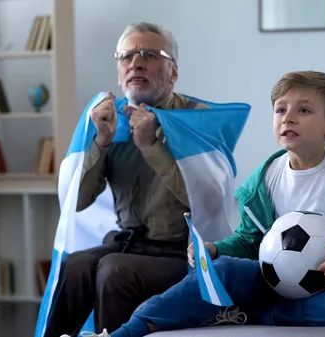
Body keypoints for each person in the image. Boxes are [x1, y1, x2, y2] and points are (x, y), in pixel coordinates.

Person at [86, 70, 325, 337]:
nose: (288, 118)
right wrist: (215, 250)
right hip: (274, 283)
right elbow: (249, 240)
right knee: (224, 270)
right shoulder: (265, 178)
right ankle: (121, 333)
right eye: (281, 110)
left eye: (304, 110)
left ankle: (260, 314)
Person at [45, 21, 211, 337]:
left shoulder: (197, 119)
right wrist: (101, 142)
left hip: (182, 253)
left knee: (113, 270)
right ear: (120, 71)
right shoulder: (111, 119)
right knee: (76, 265)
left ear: (173, 72)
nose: (135, 63)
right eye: (126, 56)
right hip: (131, 243)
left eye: (149, 54)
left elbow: (204, 200)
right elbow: (75, 203)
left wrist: (152, 147)